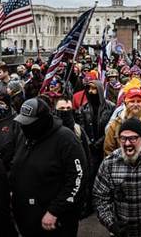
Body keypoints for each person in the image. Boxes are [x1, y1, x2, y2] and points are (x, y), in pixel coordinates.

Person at [11, 98, 88, 236]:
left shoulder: (66, 139)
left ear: (42, 120)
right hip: (27, 218)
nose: (24, 127)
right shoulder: (25, 136)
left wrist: (55, 211)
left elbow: (77, 179)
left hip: (54, 221)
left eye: (29, 123)